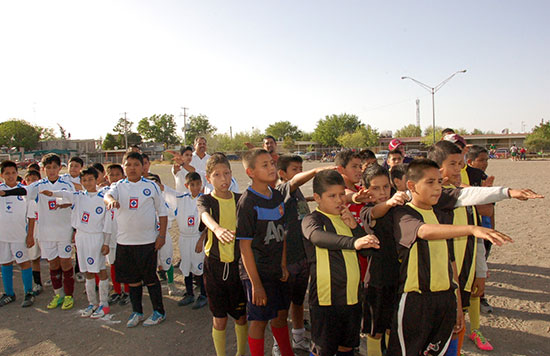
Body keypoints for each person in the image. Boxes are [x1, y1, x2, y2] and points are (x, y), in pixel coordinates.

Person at [387, 159, 514, 356]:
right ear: (411, 186)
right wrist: (471, 228)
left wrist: (455, 303)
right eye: (430, 182)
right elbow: (424, 231)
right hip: (416, 301)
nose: (437, 188)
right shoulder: (402, 213)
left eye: (439, 181)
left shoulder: (441, 215)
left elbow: (450, 261)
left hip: (445, 299)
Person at [301, 170, 380, 356]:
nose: (339, 200)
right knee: (324, 349)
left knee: (347, 347)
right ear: (317, 198)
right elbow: (318, 238)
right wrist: (353, 242)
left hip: (352, 298)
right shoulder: (312, 220)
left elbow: (369, 250)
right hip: (326, 300)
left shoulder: (347, 219)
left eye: (342, 194)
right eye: (332, 196)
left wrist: (355, 228)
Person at [273, 155, 336, 354]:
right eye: (295, 169)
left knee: (299, 301)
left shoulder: (297, 193)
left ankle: (298, 337)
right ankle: (278, 345)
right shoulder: (281, 189)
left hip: (302, 258)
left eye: (302, 168)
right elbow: (295, 181)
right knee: (281, 308)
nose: (300, 172)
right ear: (282, 174)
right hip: (288, 259)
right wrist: (317, 171)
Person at [236, 149, 294, 356]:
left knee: (280, 316)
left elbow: (283, 234)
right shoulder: (247, 202)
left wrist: (283, 264)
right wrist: (256, 285)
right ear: (250, 172)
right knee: (259, 321)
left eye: (272, 163)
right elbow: (244, 247)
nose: (272, 168)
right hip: (257, 274)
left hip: (276, 270)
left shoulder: (277, 195)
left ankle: (287, 352)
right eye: (265, 165)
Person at [1, 154, 77, 310]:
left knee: (66, 262)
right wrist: (7, 193)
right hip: (46, 231)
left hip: (63, 230)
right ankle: (58, 294)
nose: (51, 171)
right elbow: (23, 191)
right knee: (53, 263)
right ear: (43, 169)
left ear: (59, 168)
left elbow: (74, 203)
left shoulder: (67, 184)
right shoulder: (39, 185)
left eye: (54, 167)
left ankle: (69, 295)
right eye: (48, 168)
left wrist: (74, 228)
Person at [104, 152, 168, 327]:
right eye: (128, 164)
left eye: (136, 164)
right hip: (125, 242)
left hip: (147, 242)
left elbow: (162, 212)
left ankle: (159, 312)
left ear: (143, 167)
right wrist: (110, 201)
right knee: (133, 281)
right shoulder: (118, 186)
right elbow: (107, 196)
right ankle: (137, 312)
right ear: (124, 167)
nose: (132, 168)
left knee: (151, 279)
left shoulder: (151, 186)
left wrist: (161, 236)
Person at [40, 167, 111, 318]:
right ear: (80, 182)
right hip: (81, 237)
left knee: (100, 269)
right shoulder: (79, 196)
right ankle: (92, 303)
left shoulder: (104, 196)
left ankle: (104, 303)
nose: (87, 182)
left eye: (90, 179)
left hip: (97, 237)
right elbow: (65, 194)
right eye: (84, 180)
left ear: (97, 179)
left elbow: (108, 223)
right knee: (87, 271)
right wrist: (51, 193)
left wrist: (106, 242)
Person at [197, 153, 248, 356]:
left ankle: (240, 353)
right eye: (217, 175)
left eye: (226, 173)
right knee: (219, 319)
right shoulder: (206, 200)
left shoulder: (241, 200)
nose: (223, 179)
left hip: (238, 267)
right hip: (215, 268)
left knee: (241, 317)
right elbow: (204, 215)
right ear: (209, 178)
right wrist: (217, 229)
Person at [358, 165, 409, 356]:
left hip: (401, 277)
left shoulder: (400, 206)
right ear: (365, 189)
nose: (382, 192)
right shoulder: (367, 210)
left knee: (392, 327)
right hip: (378, 279)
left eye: (386, 187)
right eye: (375, 188)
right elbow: (376, 212)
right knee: (375, 330)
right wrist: (390, 203)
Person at [162, 172, 207, 306]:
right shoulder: (181, 198)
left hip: (197, 237)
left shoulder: (205, 199)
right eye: (192, 185)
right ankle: (189, 293)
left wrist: (201, 239)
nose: (195, 187)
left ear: (201, 184)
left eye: (198, 184)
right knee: (186, 266)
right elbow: (168, 191)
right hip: (184, 238)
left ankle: (204, 295)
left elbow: (209, 222)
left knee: (200, 266)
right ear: (187, 185)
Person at [0, 161, 35, 307]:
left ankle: (29, 292)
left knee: (24, 263)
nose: (10, 176)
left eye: (13, 173)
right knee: (5, 263)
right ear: (1, 175)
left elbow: (31, 216)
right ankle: (9, 293)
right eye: (7, 173)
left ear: (17, 173)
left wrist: (30, 235)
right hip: (2, 236)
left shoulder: (25, 191)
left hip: (19, 235)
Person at [23, 169, 44, 296]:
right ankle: (37, 283)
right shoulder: (24, 198)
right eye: (29, 180)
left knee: (54, 259)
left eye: (34, 180)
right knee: (34, 258)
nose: (31, 183)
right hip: (32, 231)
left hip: (45, 230)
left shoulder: (45, 194)